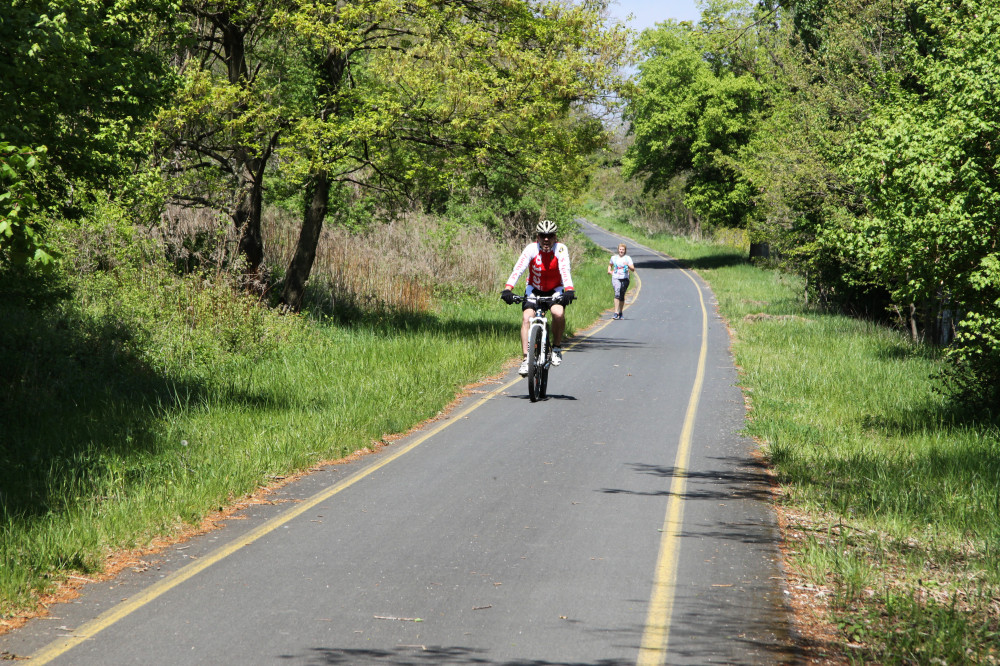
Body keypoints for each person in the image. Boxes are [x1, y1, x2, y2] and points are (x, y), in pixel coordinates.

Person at [500, 220, 576, 376]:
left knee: (558, 314)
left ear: (555, 237)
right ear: (538, 237)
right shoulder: (531, 249)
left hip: (555, 290)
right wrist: (508, 288)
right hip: (534, 289)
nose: (546, 239)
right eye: (543, 236)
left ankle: (555, 347)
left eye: (550, 236)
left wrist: (569, 290)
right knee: (527, 318)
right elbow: (518, 269)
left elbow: (565, 270)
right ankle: (526, 359)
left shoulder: (561, 249)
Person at [608, 243, 635, 320]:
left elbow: (633, 269)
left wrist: (628, 265)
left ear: (625, 250)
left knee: (622, 295)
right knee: (617, 293)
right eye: (620, 249)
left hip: (625, 278)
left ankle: (620, 312)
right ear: (618, 250)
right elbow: (610, 265)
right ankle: (615, 312)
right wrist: (609, 271)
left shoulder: (628, 258)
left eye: (623, 250)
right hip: (616, 277)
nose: (621, 251)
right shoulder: (614, 258)